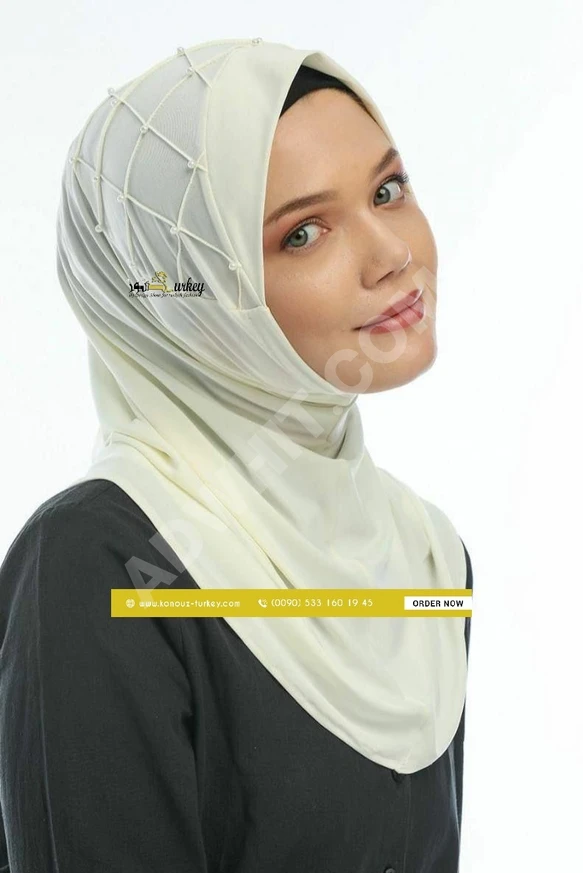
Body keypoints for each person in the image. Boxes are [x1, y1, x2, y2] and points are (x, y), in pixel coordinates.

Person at [0, 38, 473, 872]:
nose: (392, 254)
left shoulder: (427, 558)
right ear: (197, 297)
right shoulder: (107, 564)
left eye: (386, 190)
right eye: (303, 234)